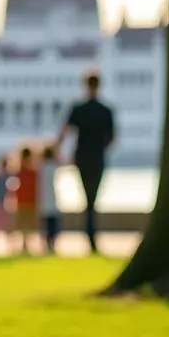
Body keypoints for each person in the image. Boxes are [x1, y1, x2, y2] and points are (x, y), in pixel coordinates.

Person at [57, 72, 115, 254]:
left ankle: (89, 233)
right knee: (93, 197)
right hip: (97, 157)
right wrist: (101, 147)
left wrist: (56, 152)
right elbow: (111, 137)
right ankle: (91, 235)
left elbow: (64, 132)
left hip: (82, 157)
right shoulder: (106, 110)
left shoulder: (78, 108)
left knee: (87, 197)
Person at [11, 146, 37, 255]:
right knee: (24, 224)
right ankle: (23, 244)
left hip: (27, 201)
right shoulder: (26, 171)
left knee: (26, 225)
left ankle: (25, 244)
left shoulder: (26, 171)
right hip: (23, 201)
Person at [38, 144, 60, 254]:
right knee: (53, 226)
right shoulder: (53, 166)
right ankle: (52, 244)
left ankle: (46, 244)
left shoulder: (40, 167)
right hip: (53, 201)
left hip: (42, 201)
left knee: (45, 226)